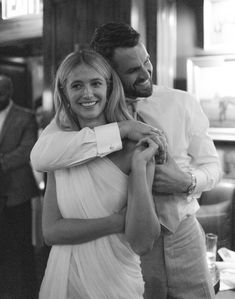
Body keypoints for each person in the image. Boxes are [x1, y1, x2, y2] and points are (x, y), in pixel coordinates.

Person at [31, 23, 222, 299]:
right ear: (108, 73)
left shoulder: (181, 103)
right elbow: (41, 155)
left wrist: (188, 181)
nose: (145, 74)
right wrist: (122, 129)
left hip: (183, 231)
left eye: (146, 62)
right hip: (128, 242)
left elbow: (212, 166)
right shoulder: (85, 117)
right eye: (133, 70)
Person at [38, 49, 161, 299]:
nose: (87, 93)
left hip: (116, 281)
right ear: (65, 93)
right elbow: (51, 232)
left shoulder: (136, 150)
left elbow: (142, 242)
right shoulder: (60, 151)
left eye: (95, 83)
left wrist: (138, 169)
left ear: (109, 87)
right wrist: (117, 222)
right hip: (64, 279)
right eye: (76, 85)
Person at [0, 74, 39, 299]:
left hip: (18, 193)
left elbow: (26, 150)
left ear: (9, 92)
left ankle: (28, 291)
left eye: (1, 93)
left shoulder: (26, 117)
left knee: (23, 245)